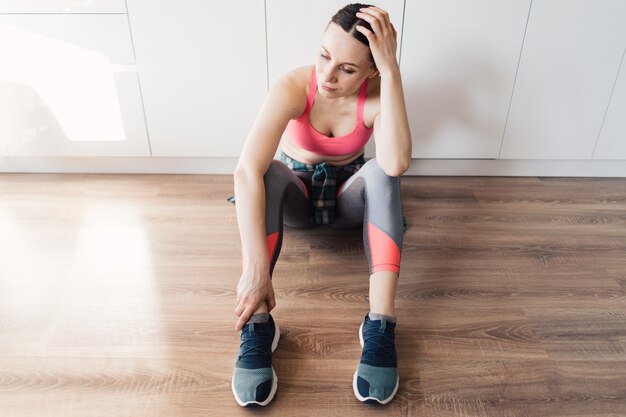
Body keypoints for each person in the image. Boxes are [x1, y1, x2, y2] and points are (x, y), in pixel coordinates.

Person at [231, 3, 411, 407]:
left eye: (348, 68)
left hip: (350, 202)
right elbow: (245, 172)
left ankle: (380, 325)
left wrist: (393, 71)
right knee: (268, 171)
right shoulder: (295, 86)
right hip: (297, 197)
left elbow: (397, 162)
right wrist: (258, 270)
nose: (328, 76)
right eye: (324, 55)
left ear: (372, 69)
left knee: (384, 173)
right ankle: (258, 324)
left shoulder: (380, 91)